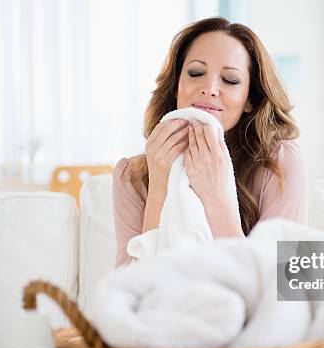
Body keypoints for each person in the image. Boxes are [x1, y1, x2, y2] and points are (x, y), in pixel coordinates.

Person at [113, 17, 309, 267]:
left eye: (230, 80)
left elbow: (278, 280)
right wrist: (159, 188)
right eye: (196, 73)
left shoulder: (280, 162)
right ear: (176, 87)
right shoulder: (130, 176)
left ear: (250, 99)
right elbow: (126, 289)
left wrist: (215, 197)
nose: (210, 88)